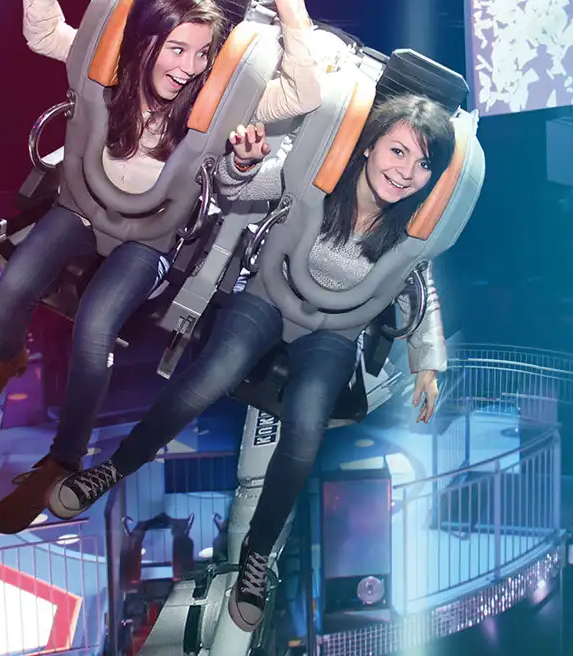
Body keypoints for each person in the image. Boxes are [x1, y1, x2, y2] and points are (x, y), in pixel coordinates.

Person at [46, 93, 457, 632]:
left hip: (333, 331)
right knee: (209, 377)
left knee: (307, 426)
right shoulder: (317, 174)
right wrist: (243, 161)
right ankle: (114, 468)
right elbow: (234, 187)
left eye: (423, 164)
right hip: (267, 297)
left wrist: (428, 359)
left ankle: (257, 557)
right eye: (398, 151)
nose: (406, 172)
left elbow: (418, 281)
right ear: (369, 146)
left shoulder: (409, 228)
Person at [0, 0, 324, 536]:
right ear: (148, 40)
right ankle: (6, 358)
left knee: (95, 326)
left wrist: (290, 9)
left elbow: (304, 95)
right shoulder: (112, 64)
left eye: (203, 53)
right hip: (84, 206)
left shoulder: (216, 97)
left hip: (150, 234)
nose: (189, 66)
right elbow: (44, 34)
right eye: (177, 49)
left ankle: (63, 461)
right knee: (14, 282)